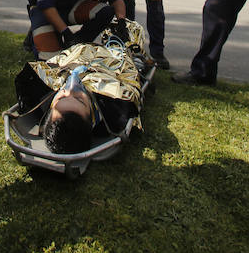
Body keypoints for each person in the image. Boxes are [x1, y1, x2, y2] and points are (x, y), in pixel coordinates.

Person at [14, 18, 152, 154]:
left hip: (83, 55)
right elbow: (129, 82)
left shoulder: (46, 87)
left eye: (61, 98)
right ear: (92, 117)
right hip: (111, 61)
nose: (71, 88)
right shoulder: (114, 102)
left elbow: (53, 64)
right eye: (79, 99)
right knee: (130, 31)